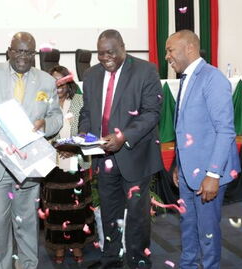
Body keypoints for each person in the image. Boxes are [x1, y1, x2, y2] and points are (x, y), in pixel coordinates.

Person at [0, 32, 63, 269]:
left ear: (35, 55)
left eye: (28, 52)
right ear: (9, 51)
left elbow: (56, 116)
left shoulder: (47, 82)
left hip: (28, 166)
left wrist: (45, 125)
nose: (23, 56)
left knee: (28, 225)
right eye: (18, 50)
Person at [79, 29, 163, 269]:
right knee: (109, 211)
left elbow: (151, 112)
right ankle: (111, 259)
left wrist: (123, 137)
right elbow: (87, 112)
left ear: (123, 47)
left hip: (134, 155)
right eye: (101, 54)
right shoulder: (91, 74)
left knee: (137, 214)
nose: (106, 58)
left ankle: (138, 260)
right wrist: (86, 134)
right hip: (103, 156)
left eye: (111, 52)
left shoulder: (146, 70)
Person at [166, 30, 240, 269]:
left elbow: (225, 131)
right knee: (188, 228)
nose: (167, 56)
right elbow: (186, 128)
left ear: (189, 48)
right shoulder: (186, 78)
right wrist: (178, 164)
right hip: (188, 173)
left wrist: (213, 174)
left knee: (207, 233)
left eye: (170, 50)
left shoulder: (212, 78)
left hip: (208, 174)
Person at [42, 65, 95, 265]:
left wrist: (74, 147)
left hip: (76, 162)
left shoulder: (79, 102)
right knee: (56, 210)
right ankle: (58, 248)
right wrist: (55, 148)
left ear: (69, 81)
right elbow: (39, 133)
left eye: (62, 80)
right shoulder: (45, 105)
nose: (59, 85)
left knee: (76, 209)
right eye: (54, 81)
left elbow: (89, 129)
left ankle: (77, 246)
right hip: (52, 164)